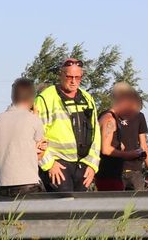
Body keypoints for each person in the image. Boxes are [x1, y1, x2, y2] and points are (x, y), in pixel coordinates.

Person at [34, 58, 100, 192]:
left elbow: (96, 133)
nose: (73, 81)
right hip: (58, 164)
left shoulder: (87, 98)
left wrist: (93, 165)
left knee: (80, 210)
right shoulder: (45, 98)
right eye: (69, 76)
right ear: (61, 75)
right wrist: (48, 164)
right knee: (62, 208)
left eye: (77, 77)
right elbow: (36, 135)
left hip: (83, 165)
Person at [0, 78, 47, 197]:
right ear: (32, 98)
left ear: (12, 97)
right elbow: (40, 154)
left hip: (1, 186)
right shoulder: (33, 120)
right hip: (27, 184)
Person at [96, 84, 148, 191]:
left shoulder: (113, 119)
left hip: (113, 173)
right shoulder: (109, 119)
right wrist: (129, 154)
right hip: (108, 174)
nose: (132, 116)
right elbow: (106, 149)